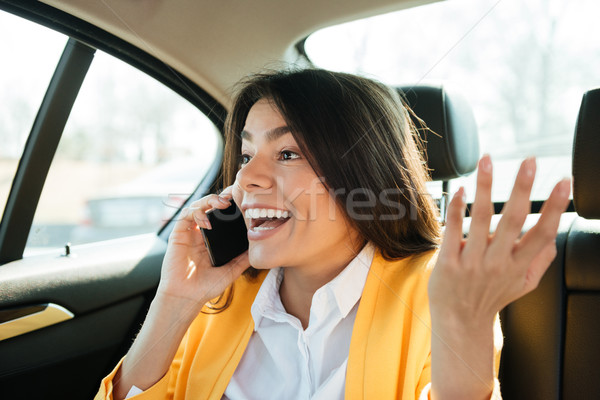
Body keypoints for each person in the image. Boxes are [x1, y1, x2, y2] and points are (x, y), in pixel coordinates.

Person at [95, 69, 571, 400]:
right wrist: (175, 304)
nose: (246, 180)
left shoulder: (437, 291)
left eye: (287, 154)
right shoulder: (219, 300)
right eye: (244, 156)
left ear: (362, 174)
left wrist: (462, 324)